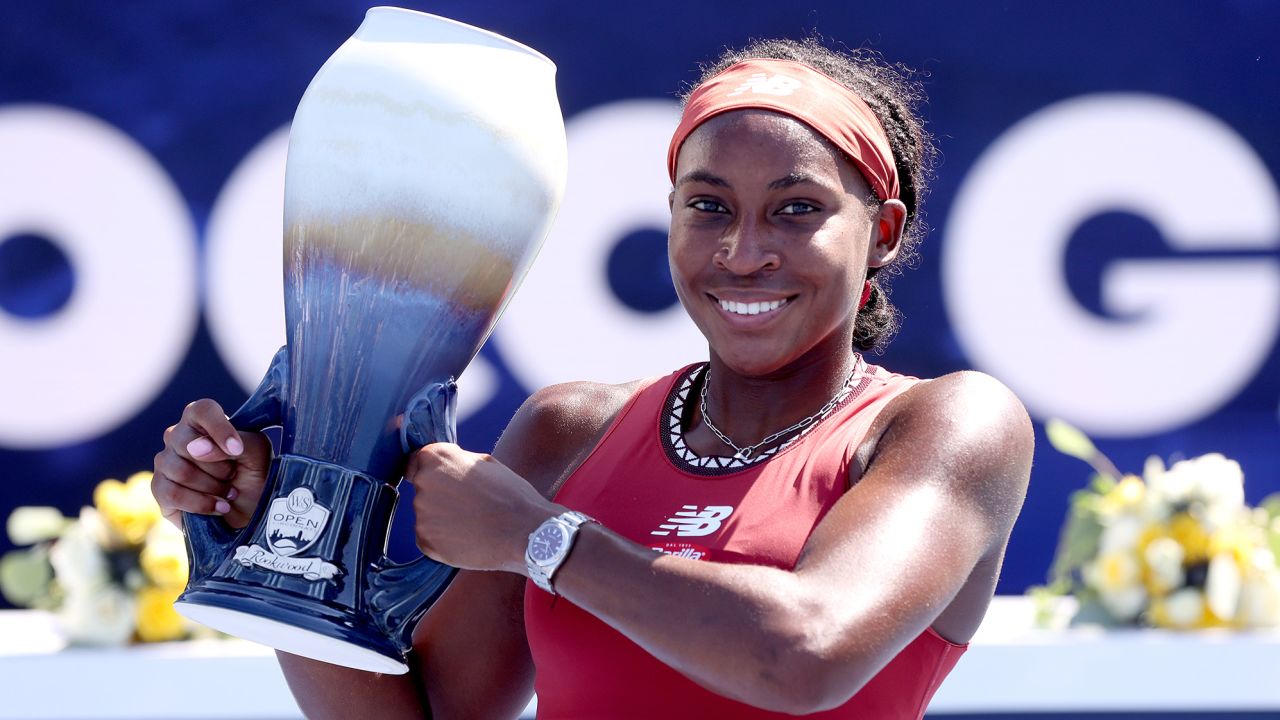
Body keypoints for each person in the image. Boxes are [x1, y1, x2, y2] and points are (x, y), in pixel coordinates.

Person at [153, 37, 1031, 719]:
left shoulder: (952, 422)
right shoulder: (570, 430)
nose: (743, 251)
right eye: (708, 206)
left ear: (881, 232)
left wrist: (542, 540)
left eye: (797, 210)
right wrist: (280, 539)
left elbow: (804, 656)